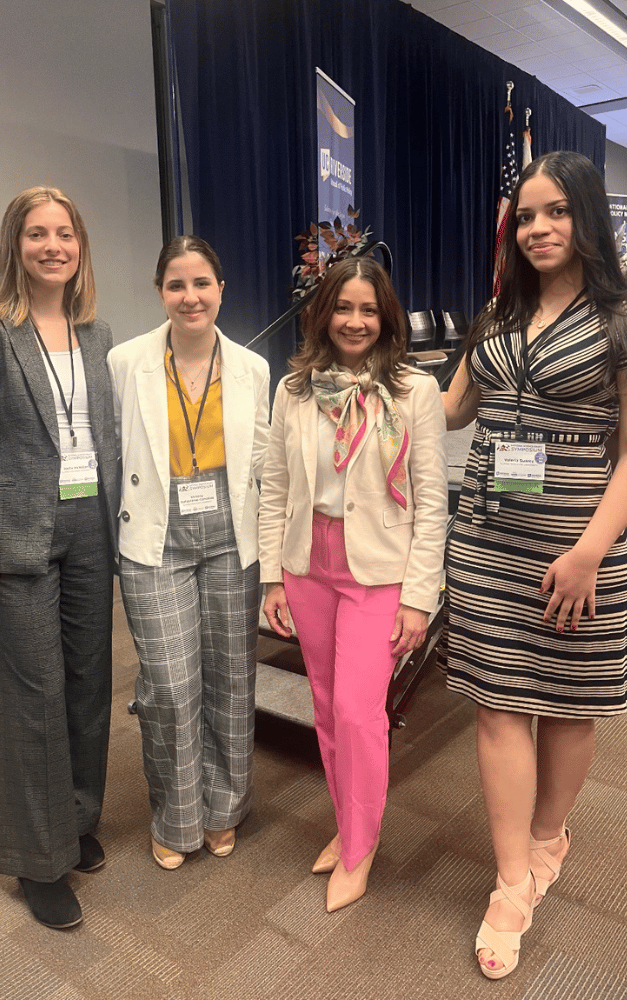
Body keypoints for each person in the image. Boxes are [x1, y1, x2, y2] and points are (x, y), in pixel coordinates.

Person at [442, 151, 627, 979]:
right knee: (498, 707)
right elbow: (450, 407)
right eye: (526, 215)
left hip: (580, 547)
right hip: (489, 542)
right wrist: (352, 373)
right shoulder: (498, 314)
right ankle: (510, 881)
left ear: (587, 218)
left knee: (568, 708)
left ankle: (547, 836)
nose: (537, 229)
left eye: (555, 212)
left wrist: (587, 552)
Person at [0, 187, 120, 929]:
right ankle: (36, 859)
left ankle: (75, 819)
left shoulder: (96, 330)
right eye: (37, 234)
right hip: (15, 534)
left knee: (88, 684)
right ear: (15, 245)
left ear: (80, 246)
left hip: (89, 528)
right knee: (35, 695)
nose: (53, 246)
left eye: (65, 234)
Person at [259, 257, 448, 911]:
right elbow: (275, 488)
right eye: (344, 308)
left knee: (358, 714)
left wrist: (421, 598)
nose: (356, 321)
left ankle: (360, 848)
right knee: (325, 708)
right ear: (323, 314)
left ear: (385, 316)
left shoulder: (413, 391)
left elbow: (430, 500)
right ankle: (348, 826)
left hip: (378, 572)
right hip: (308, 564)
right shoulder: (296, 390)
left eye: (369, 309)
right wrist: (270, 579)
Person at [108, 236, 270, 870]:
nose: (190, 296)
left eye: (202, 283)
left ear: (221, 290)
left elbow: (263, 462)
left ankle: (224, 809)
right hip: (155, 539)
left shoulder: (254, 369)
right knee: (171, 686)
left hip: (233, 539)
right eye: (177, 285)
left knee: (232, 678)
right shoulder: (126, 362)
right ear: (160, 292)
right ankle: (177, 815)